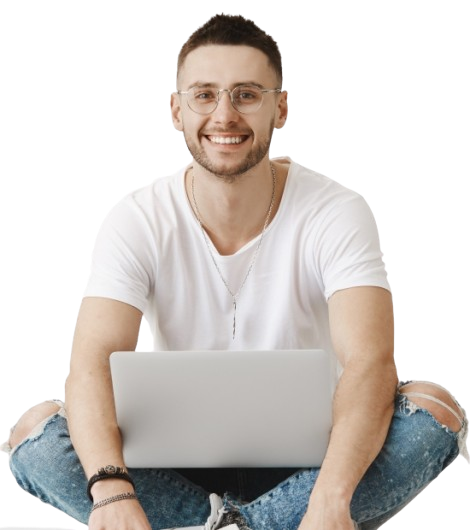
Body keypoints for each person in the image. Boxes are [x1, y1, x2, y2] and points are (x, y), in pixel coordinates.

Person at [1, 12, 468, 530]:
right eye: (204, 95)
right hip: (172, 464)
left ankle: (211, 525)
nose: (224, 116)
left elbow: (370, 363)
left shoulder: (338, 210)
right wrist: (111, 491)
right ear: (176, 110)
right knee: (35, 437)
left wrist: (331, 496)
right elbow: (92, 363)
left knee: (434, 413)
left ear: (280, 108)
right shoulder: (136, 216)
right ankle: (258, 525)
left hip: (312, 463)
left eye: (246, 95)